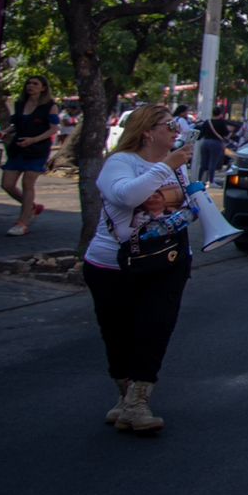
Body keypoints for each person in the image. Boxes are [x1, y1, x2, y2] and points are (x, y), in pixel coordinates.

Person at [82, 104, 196, 433]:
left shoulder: (177, 164)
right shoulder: (120, 162)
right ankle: (126, 396)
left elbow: (178, 206)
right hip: (113, 265)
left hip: (166, 262)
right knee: (116, 333)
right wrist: (167, 166)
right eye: (169, 125)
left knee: (155, 329)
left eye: (176, 125)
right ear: (147, 131)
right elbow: (126, 196)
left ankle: (137, 402)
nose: (177, 130)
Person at [0, 75, 60, 235]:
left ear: (43, 88)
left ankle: (23, 222)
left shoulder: (50, 106)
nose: (30, 86)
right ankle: (31, 207)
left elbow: (54, 129)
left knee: (28, 184)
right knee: (7, 184)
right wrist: (5, 132)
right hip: (18, 148)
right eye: (28, 83)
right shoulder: (20, 104)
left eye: (35, 83)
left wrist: (33, 140)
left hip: (37, 150)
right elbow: (15, 125)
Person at [193, 108, 235, 185]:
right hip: (216, 143)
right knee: (212, 163)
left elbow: (202, 132)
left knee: (203, 163)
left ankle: (199, 180)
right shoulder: (221, 123)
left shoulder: (207, 122)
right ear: (220, 114)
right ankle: (211, 181)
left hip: (205, 142)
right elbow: (225, 134)